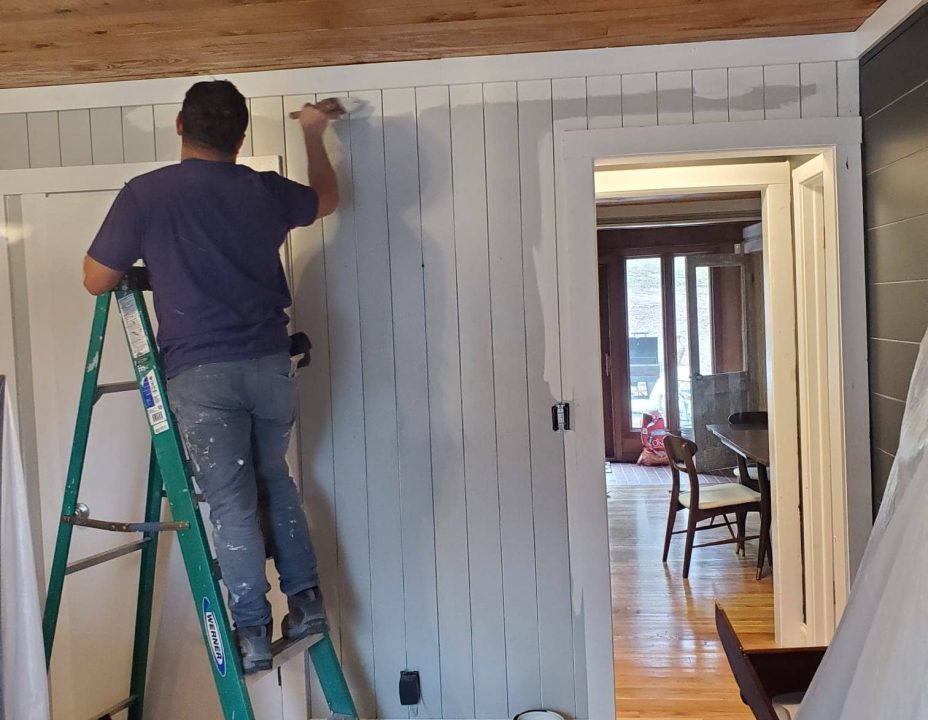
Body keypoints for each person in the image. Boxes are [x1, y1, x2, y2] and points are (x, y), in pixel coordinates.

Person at [82, 79, 339, 673]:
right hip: (271, 365)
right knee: (275, 480)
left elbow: (96, 279)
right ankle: (306, 604)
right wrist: (312, 132)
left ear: (179, 124)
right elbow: (325, 198)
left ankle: (249, 632)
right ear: (241, 136)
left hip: (202, 374)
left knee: (230, 504)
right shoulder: (264, 191)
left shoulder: (147, 195)